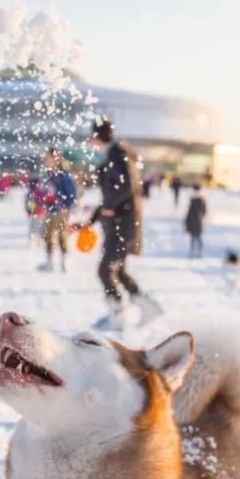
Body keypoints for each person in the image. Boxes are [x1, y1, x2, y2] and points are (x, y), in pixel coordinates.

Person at [82, 118, 162, 329]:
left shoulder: (119, 155)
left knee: (105, 270)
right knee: (117, 271)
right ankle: (147, 307)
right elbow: (115, 193)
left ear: (95, 137)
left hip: (122, 224)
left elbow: (129, 187)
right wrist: (92, 220)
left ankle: (117, 316)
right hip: (119, 223)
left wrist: (110, 208)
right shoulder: (116, 154)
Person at [38, 148, 78, 273]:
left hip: (61, 210)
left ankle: (65, 260)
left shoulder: (63, 175)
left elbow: (71, 193)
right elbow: (46, 191)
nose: (47, 161)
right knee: (47, 234)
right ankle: (49, 261)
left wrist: (65, 205)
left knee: (61, 234)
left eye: (49, 158)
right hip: (50, 209)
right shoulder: (48, 175)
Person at [185, 183, 207, 257]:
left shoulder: (194, 199)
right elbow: (204, 211)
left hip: (193, 219)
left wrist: (187, 220)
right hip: (198, 220)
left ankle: (194, 251)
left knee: (194, 237)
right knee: (198, 236)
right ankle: (198, 251)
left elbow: (190, 211)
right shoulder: (202, 199)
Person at [24, 175, 45, 247]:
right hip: (37, 212)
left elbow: (28, 203)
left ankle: (35, 242)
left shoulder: (31, 192)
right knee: (37, 228)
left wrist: (29, 210)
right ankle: (37, 241)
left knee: (34, 228)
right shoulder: (38, 192)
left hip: (35, 212)